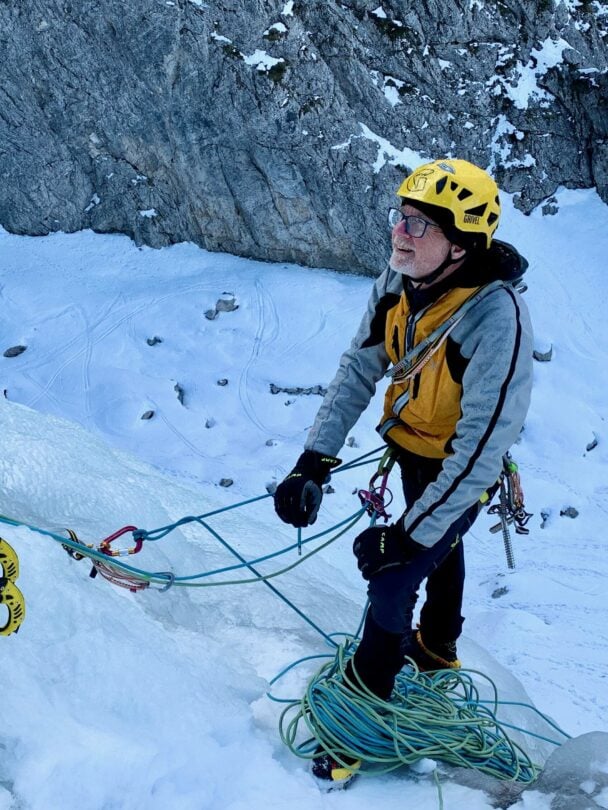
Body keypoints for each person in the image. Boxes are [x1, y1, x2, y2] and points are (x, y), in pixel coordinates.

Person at [274, 158, 533, 785]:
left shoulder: (495, 318)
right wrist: (313, 461)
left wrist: (406, 536)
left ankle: (362, 720)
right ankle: (437, 650)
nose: (399, 233)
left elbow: (480, 448)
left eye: (419, 224)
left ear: (461, 244)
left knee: (394, 579)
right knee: (436, 554)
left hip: (461, 470)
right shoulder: (400, 280)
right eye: (401, 216)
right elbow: (359, 367)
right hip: (414, 446)